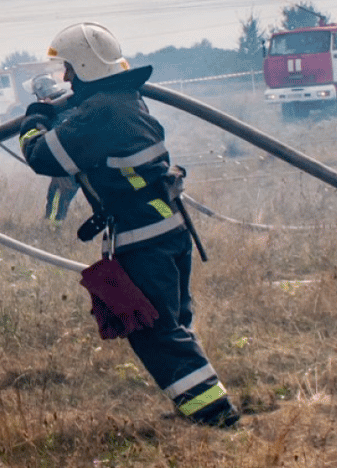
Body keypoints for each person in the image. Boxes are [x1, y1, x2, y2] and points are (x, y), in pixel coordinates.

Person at [18, 22, 240, 428]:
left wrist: (36, 117)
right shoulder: (124, 100)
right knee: (173, 324)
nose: (65, 77)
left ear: (85, 67)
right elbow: (96, 130)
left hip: (144, 239)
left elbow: (41, 157)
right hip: (169, 230)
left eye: (69, 68)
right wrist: (67, 109)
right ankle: (202, 402)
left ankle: (215, 415)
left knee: (154, 331)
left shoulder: (98, 113)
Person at [29, 73, 80, 228]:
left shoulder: (55, 108)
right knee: (55, 192)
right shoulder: (65, 102)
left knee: (59, 194)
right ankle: (52, 223)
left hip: (68, 161)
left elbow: (58, 135)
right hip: (71, 159)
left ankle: (54, 227)